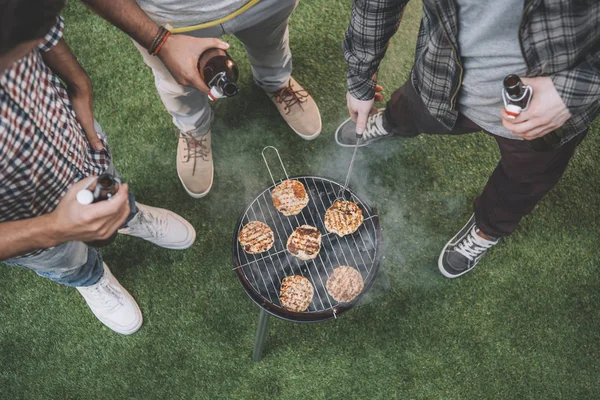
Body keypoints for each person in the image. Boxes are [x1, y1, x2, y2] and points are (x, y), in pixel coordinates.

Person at [337, 0, 600, 278]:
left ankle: (488, 230)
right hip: (439, 79)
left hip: (543, 114)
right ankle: (389, 124)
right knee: (407, 110)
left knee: (523, 181)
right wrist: (360, 77)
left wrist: (572, 91)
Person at [0, 0, 196, 335]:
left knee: (113, 189)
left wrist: (80, 86)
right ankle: (91, 278)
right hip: (27, 226)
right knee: (64, 259)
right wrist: (55, 229)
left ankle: (130, 218)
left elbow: (37, 27)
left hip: (77, 147)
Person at [81, 0, 322, 198]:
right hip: (169, 19)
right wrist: (158, 41)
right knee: (178, 86)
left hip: (265, 4)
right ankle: (193, 127)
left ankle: (276, 83)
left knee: (272, 47)